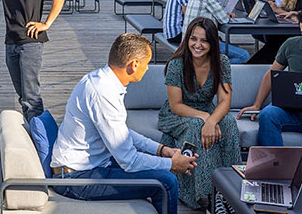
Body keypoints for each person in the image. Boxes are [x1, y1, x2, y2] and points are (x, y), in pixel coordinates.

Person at [51, 33, 197, 214]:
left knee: (155, 169)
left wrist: (162, 150)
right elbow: (129, 161)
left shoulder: (101, 81)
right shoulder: (103, 94)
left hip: (86, 167)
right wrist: (171, 164)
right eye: (147, 63)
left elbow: (122, 133)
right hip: (77, 179)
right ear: (134, 65)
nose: (147, 68)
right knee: (166, 181)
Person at [158, 17, 241, 209]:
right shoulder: (177, 64)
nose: (197, 44)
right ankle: (206, 194)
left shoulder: (221, 62)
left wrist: (212, 120)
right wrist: (207, 119)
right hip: (176, 114)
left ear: (212, 42)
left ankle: (232, 190)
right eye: (193, 39)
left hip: (206, 109)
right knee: (196, 126)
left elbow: (225, 101)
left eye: (204, 40)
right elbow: (176, 105)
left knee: (228, 123)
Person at [237, 6, 302, 146]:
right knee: (268, 114)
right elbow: (271, 75)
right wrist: (257, 104)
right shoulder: (291, 45)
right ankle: (274, 164)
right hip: (290, 110)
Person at [182, 0, 250, 64]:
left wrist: (224, 14)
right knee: (244, 56)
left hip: (189, 40)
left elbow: (213, 12)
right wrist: (226, 15)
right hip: (202, 41)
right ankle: (214, 69)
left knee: (234, 48)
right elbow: (224, 20)